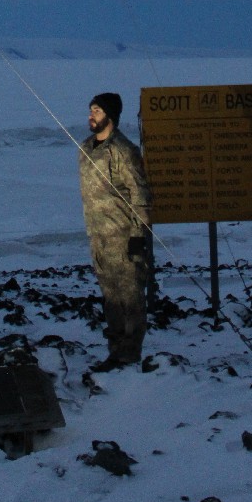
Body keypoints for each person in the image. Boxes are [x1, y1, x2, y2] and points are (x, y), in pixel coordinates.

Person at [78, 91, 152, 369]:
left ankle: (130, 352)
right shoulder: (86, 148)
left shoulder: (123, 151)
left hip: (123, 236)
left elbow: (140, 193)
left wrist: (138, 235)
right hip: (98, 237)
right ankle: (115, 350)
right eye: (91, 110)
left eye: (97, 111)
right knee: (110, 298)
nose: (91, 116)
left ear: (111, 115)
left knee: (130, 295)